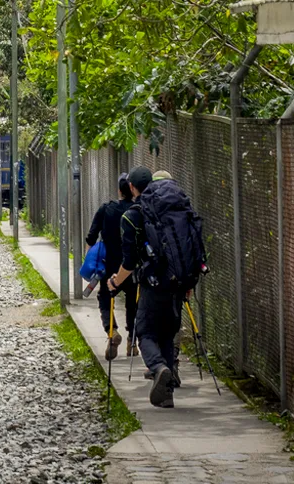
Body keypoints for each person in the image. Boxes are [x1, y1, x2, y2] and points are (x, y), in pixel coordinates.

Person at [107, 166, 204, 409]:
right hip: (179, 284)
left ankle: (159, 368)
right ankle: (166, 395)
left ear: (131, 188)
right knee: (167, 337)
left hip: (153, 285)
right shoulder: (174, 210)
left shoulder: (132, 216)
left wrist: (114, 283)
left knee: (145, 333)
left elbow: (129, 263)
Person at [85, 173, 138, 361]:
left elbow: (91, 238)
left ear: (119, 190)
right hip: (131, 266)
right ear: (132, 189)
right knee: (133, 301)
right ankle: (132, 340)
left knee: (105, 298)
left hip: (109, 266)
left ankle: (112, 331)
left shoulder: (106, 209)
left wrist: (90, 260)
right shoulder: (137, 210)